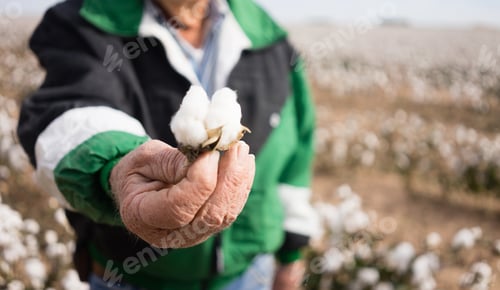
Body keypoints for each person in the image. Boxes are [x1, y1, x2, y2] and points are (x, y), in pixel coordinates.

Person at [17, 0, 318, 289]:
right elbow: (73, 108)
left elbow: (295, 155)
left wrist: (292, 252)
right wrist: (119, 166)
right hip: (133, 278)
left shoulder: (270, 39)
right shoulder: (87, 21)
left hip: (251, 273)